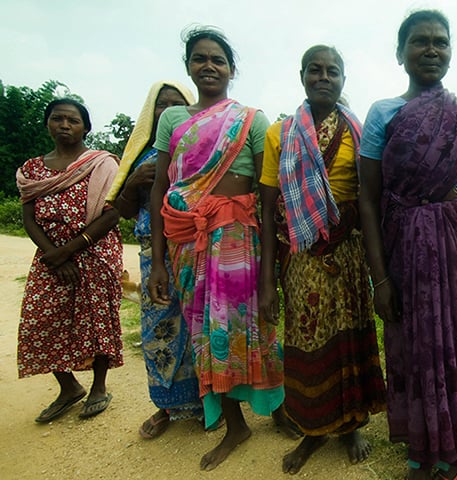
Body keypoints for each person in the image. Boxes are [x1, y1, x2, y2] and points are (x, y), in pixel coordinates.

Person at [359, 10, 457, 480]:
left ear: (451, 52)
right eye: (420, 41)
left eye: (441, 41)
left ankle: (453, 455)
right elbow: (368, 198)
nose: (432, 50)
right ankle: (420, 455)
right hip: (406, 249)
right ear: (400, 53)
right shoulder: (383, 113)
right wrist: (380, 279)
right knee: (413, 349)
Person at [148, 27, 284, 470]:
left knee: (254, 327)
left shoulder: (251, 119)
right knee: (207, 333)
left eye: (218, 60)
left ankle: (278, 408)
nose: (208, 66)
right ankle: (235, 425)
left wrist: (273, 265)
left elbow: (268, 193)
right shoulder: (173, 119)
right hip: (187, 239)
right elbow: (160, 186)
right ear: (188, 66)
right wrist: (158, 262)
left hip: (238, 237)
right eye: (200, 58)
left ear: (231, 69)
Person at [260, 45, 387, 475]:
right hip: (301, 256)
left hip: (348, 253)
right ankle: (312, 430)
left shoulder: (359, 131)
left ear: (343, 80)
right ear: (302, 76)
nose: (324, 77)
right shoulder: (279, 134)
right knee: (307, 342)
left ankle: (351, 426)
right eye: (315, 70)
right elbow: (267, 209)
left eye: (333, 71)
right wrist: (266, 282)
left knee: (350, 338)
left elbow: (371, 198)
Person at [107, 81, 205, 438]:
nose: (169, 111)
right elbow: (122, 210)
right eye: (162, 104)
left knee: (201, 327)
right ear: (151, 112)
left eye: (177, 104)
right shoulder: (142, 154)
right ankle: (166, 406)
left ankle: (209, 403)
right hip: (153, 254)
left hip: (196, 248)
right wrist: (134, 181)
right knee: (158, 328)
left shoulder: (202, 150)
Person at [16, 98, 122, 423]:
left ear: (85, 128)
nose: (64, 125)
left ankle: (99, 387)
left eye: (72, 120)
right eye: (57, 118)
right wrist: (56, 256)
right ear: (47, 123)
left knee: (97, 319)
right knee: (41, 320)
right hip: (50, 256)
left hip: (95, 250)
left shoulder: (102, 164)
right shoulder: (32, 169)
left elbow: (113, 212)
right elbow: (29, 217)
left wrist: (71, 249)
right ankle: (69, 387)